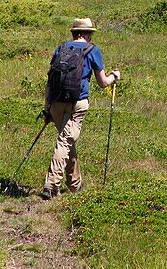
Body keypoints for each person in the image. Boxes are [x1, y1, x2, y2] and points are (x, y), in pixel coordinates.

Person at [40, 17, 120, 200]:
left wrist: (47, 109)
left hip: (55, 103)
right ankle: (51, 185)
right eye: (90, 33)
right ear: (85, 34)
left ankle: (75, 185)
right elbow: (102, 83)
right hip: (78, 103)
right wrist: (114, 77)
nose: (91, 37)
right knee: (65, 141)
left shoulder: (61, 48)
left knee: (68, 141)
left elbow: (49, 82)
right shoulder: (92, 51)